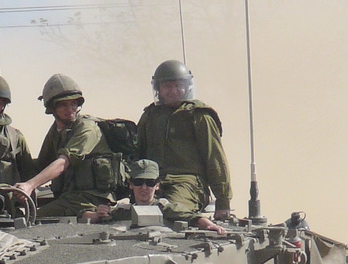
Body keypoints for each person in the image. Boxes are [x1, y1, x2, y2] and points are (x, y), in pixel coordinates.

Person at [137, 60, 233, 221]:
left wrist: (223, 201)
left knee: (169, 211)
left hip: (188, 183)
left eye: (178, 85)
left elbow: (215, 159)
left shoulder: (199, 116)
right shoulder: (150, 116)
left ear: (187, 86)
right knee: (137, 212)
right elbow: (139, 155)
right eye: (167, 86)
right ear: (158, 89)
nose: (173, 91)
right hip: (153, 183)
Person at [13, 74, 117, 218]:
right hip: (70, 198)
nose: (70, 109)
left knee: (33, 219)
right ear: (52, 108)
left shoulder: (87, 128)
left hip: (92, 199)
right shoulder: (57, 131)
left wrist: (30, 185)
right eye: (63, 105)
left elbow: (63, 162)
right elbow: (40, 165)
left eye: (73, 103)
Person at [82, 159, 225, 233]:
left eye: (150, 183)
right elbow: (82, 215)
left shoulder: (165, 208)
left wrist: (210, 225)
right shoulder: (122, 211)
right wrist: (97, 214)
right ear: (131, 184)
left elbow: (192, 217)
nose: (144, 188)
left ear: (157, 186)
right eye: (138, 182)